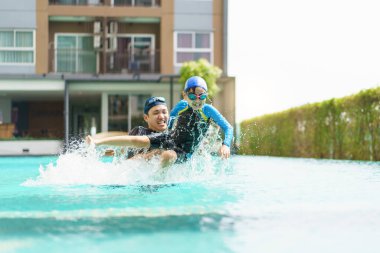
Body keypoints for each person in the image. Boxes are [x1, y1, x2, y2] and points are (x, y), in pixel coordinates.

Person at [86, 76, 233, 166]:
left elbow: (228, 128)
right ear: (185, 95)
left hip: (184, 151)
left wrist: (225, 145)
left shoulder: (208, 110)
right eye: (193, 97)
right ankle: (96, 142)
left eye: (201, 96)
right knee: (139, 140)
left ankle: (156, 182)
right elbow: (171, 122)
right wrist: (164, 135)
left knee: (168, 155)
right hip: (171, 138)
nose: (197, 100)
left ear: (206, 95)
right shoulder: (181, 106)